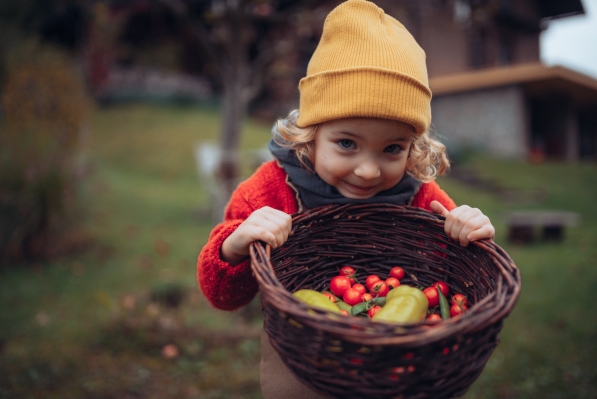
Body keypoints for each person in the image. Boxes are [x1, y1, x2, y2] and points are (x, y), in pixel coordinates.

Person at [196, 0, 495, 397]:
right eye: (347, 143)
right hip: (302, 369)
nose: (368, 171)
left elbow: (459, 269)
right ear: (311, 133)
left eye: (392, 149)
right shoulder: (270, 191)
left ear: (414, 148)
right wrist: (234, 247)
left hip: (400, 374)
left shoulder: (420, 195)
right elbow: (223, 296)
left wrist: (469, 228)